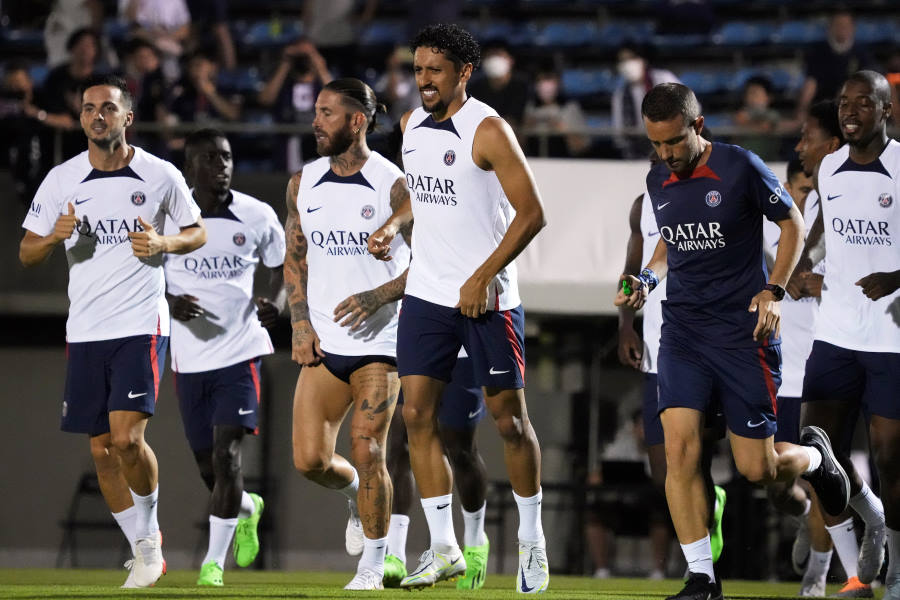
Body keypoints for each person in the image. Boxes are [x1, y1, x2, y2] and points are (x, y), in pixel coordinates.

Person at [616, 82, 851, 600]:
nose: (665, 154)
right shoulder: (658, 178)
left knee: (756, 469)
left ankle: (816, 459)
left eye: (673, 142)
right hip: (683, 332)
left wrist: (774, 291)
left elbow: (792, 224)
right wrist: (647, 280)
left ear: (697, 126)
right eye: (656, 144)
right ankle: (702, 577)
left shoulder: (740, 165)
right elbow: (669, 243)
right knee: (679, 451)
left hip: (742, 334)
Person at [367, 23, 549, 593]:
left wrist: (483, 276)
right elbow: (425, 198)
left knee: (510, 423)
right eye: (418, 69)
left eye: (435, 70)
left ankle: (531, 541)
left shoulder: (488, 129)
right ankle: (444, 547)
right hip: (428, 295)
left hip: (488, 301)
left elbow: (533, 214)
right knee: (417, 416)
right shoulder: (409, 126)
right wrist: (395, 223)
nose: (424, 80)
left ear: (463, 72)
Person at [18, 74, 207, 588]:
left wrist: (164, 244)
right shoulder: (62, 179)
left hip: (140, 324)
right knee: (101, 449)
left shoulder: (160, 174)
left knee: (126, 439)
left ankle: (149, 543)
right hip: (85, 330)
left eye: (107, 107)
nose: (96, 115)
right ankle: (144, 547)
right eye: (87, 108)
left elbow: (197, 231)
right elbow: (27, 252)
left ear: (128, 117)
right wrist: (53, 238)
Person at [284, 78, 410, 590]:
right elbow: (295, 259)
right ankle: (357, 496)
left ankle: (374, 566)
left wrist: (379, 296)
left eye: (327, 113)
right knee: (309, 461)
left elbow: (433, 263)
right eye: (316, 111)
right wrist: (299, 323)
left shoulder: (392, 183)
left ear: (358, 121)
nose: (316, 122)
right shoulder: (303, 183)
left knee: (369, 448)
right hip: (324, 345)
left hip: (380, 345)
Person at [793, 70, 899, 600]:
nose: (851, 111)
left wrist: (897, 277)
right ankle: (860, 560)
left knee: (891, 460)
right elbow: (822, 232)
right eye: (844, 103)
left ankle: (896, 577)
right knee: (817, 452)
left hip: (891, 340)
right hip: (834, 334)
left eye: (864, 102)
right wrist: (800, 265)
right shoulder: (830, 166)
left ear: (886, 111)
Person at [163, 128, 284, 586]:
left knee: (228, 455)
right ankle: (247, 507)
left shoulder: (256, 214)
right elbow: (144, 277)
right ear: (189, 167)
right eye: (211, 158)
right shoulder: (167, 219)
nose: (223, 166)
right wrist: (169, 302)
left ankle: (212, 565)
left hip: (240, 352)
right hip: (190, 360)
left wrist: (277, 302)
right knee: (208, 468)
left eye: (227, 157)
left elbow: (284, 266)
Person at [616, 184, 727, 578]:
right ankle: (712, 505)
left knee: (695, 459)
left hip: (701, 348)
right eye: (655, 155)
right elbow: (631, 269)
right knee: (664, 473)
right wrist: (625, 325)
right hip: (656, 351)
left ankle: (700, 569)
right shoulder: (642, 204)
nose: (661, 159)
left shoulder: (710, 194)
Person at [384, 352, 491, 589]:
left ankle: (475, 543)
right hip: (415, 348)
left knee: (461, 450)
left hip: (461, 353)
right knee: (399, 444)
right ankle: (395, 555)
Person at [257, 39, 333, 173]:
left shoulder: (321, 84)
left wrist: (319, 65)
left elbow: (338, 100)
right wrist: (285, 63)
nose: (303, 60)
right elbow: (265, 99)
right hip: (290, 142)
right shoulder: (283, 84)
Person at [796, 8, 878, 119]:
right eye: (838, 25)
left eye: (846, 25)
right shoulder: (818, 51)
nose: (842, 29)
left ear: (853, 28)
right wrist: (802, 109)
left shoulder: (862, 52)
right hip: (823, 102)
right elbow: (811, 83)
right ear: (830, 27)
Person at [39, 27, 100, 161]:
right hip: (57, 144)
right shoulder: (56, 77)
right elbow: (47, 105)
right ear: (72, 48)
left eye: (89, 45)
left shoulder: (101, 81)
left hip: (90, 147)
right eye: (81, 44)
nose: (84, 50)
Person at [611, 44, 680, 159]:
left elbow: (691, 107)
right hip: (635, 153)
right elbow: (619, 132)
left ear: (643, 60)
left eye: (631, 58)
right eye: (622, 60)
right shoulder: (621, 94)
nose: (627, 64)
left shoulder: (664, 79)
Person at [523, 63, 591, 158]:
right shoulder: (530, 108)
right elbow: (518, 147)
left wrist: (564, 131)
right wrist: (526, 129)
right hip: (534, 160)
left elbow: (582, 147)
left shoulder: (570, 108)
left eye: (550, 79)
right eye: (541, 80)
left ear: (558, 82)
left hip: (562, 160)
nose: (546, 85)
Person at [468, 40, 531, 131]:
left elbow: (519, 120)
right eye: (490, 55)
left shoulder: (522, 86)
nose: (494, 60)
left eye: (499, 55)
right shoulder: (475, 87)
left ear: (511, 60)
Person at [734, 76, 781, 161]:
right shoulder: (742, 113)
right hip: (743, 160)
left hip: (767, 161)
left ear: (769, 97)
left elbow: (765, 127)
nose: (751, 98)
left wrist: (748, 123)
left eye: (755, 94)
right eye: (748, 94)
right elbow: (739, 121)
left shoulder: (772, 114)